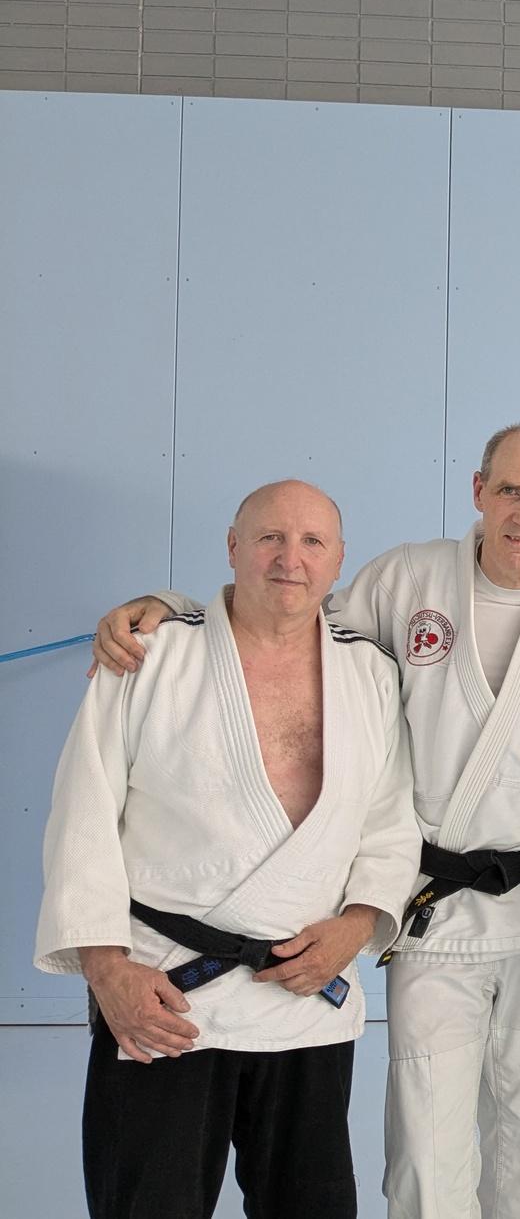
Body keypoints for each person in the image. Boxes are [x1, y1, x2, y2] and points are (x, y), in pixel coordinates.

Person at [86, 424, 520, 1219]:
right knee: (425, 1158)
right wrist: (169, 605)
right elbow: (283, 620)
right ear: (478, 491)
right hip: (432, 913)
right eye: (508, 490)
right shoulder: (406, 580)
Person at [37, 480, 421, 1218]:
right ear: (233, 547)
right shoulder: (151, 655)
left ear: (338, 562)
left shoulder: (369, 672)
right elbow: (82, 814)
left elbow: (390, 819)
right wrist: (106, 970)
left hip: (304, 994)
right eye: (270, 538)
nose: (290, 559)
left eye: (312, 542)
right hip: (164, 993)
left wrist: (356, 925)